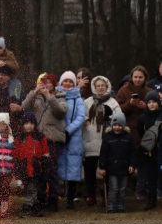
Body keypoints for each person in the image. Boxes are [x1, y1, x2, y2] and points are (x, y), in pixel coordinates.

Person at [22, 73, 68, 212]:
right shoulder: (36, 98)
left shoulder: (60, 98)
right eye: (43, 82)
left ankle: (53, 198)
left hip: (52, 139)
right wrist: (34, 92)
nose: (45, 85)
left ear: (54, 85)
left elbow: (61, 112)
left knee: (52, 170)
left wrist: (49, 97)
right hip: (38, 139)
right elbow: (23, 107)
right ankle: (40, 198)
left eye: (48, 83)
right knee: (39, 170)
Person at [81, 76, 121, 207]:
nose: (100, 88)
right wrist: (86, 120)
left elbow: (119, 118)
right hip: (90, 139)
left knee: (108, 170)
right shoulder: (87, 102)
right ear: (94, 87)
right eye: (98, 86)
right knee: (89, 171)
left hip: (107, 141)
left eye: (102, 85)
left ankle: (107, 196)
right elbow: (81, 115)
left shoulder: (113, 102)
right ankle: (91, 196)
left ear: (107, 86)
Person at [115, 65, 153, 199]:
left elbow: (156, 110)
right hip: (128, 131)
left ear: (145, 78)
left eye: (140, 77)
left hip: (145, 132)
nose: (137, 80)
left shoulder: (149, 92)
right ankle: (123, 190)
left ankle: (141, 189)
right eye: (135, 77)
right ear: (132, 77)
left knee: (143, 163)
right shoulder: (123, 90)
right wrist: (129, 104)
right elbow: (117, 109)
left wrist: (145, 107)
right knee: (126, 162)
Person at [56, 71, 85, 209]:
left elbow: (81, 117)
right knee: (57, 166)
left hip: (73, 137)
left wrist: (68, 130)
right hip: (58, 134)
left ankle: (70, 199)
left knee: (73, 167)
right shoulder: (55, 96)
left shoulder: (78, 99)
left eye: (70, 82)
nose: (67, 84)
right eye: (65, 81)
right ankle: (54, 197)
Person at [14, 112, 49, 217]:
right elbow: (16, 156)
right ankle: (36, 206)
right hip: (24, 168)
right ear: (23, 124)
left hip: (36, 168)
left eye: (31, 123)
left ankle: (26, 207)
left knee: (32, 189)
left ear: (35, 125)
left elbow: (46, 154)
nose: (28, 125)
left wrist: (46, 171)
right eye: (26, 123)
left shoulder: (40, 137)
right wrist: (17, 175)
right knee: (30, 189)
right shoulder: (19, 138)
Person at [98, 113, 136, 213]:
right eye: (115, 125)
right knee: (113, 188)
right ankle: (111, 206)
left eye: (119, 125)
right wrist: (102, 167)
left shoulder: (128, 138)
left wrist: (132, 165)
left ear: (123, 126)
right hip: (111, 168)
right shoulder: (107, 138)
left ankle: (120, 206)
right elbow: (103, 153)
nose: (117, 127)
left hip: (124, 167)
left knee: (123, 188)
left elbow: (133, 152)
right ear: (112, 125)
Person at [137, 91, 162, 210]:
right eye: (149, 102)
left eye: (154, 102)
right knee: (151, 178)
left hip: (161, 151)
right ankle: (152, 200)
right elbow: (141, 133)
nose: (152, 104)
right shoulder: (142, 118)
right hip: (150, 152)